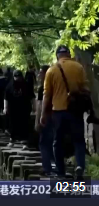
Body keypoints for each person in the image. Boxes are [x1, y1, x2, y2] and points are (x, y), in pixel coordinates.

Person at [40, 45, 87, 179]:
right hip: (75, 110)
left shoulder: (51, 71)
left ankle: (60, 171)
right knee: (78, 140)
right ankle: (80, 166)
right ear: (69, 54)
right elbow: (85, 88)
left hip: (58, 112)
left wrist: (43, 113)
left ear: (57, 56)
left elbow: (47, 94)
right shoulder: (78, 67)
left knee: (57, 141)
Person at [34, 65, 55, 176]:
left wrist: (37, 121)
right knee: (54, 142)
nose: (39, 75)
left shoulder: (43, 88)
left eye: (41, 72)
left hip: (46, 117)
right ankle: (55, 166)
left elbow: (39, 105)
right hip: (56, 116)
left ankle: (47, 168)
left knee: (43, 143)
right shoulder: (56, 85)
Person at [5, 70, 34, 146]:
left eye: (19, 77)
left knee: (24, 123)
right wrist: (5, 107)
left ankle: (24, 139)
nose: (18, 78)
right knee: (12, 123)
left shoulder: (26, 85)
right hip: (13, 108)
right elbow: (6, 97)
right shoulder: (9, 86)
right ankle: (12, 138)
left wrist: (34, 107)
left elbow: (32, 97)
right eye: (16, 77)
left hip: (25, 107)